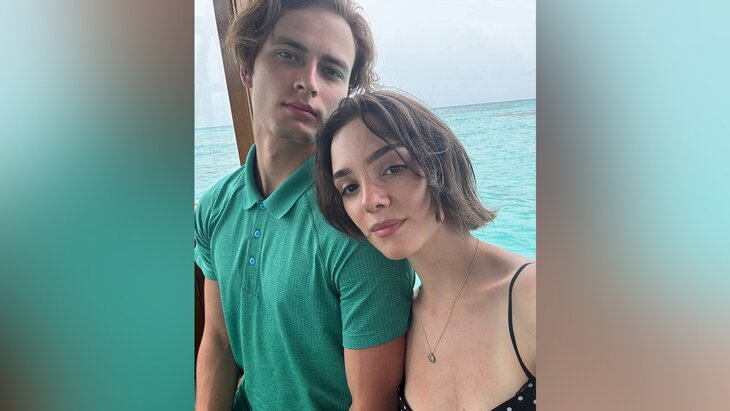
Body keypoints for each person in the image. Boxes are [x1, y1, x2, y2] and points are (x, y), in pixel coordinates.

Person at [194, 2, 415, 410]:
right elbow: (219, 341)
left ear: (345, 94)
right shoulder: (216, 206)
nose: (308, 82)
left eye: (331, 71)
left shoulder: (359, 228)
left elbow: (373, 401)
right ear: (247, 67)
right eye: (288, 54)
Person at [315, 90, 536, 410]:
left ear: (439, 162)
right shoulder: (400, 322)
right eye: (350, 187)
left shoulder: (535, 298)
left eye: (392, 168)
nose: (370, 201)